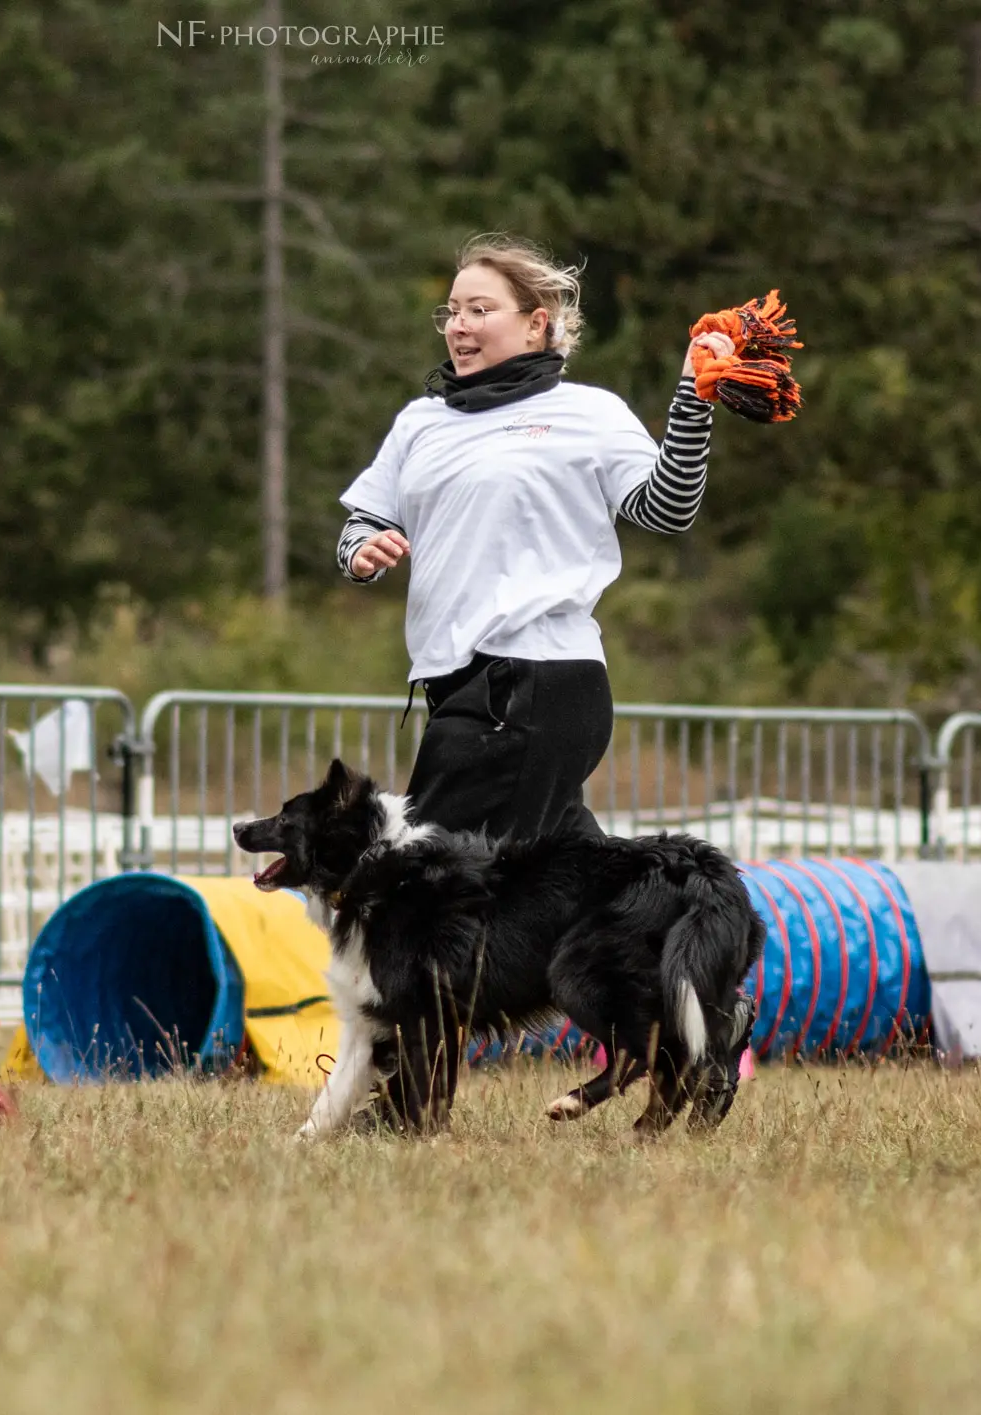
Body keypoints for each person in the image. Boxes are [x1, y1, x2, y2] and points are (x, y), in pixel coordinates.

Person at [333, 231, 730, 1127]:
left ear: (536, 323)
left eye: (480, 309)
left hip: (542, 680)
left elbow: (667, 509)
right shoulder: (421, 422)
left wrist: (692, 401)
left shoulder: (588, 413)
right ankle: (695, 1046)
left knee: (413, 887)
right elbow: (360, 520)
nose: (459, 325)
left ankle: (405, 1106)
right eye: (451, 310)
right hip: (459, 686)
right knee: (579, 892)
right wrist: (365, 551)